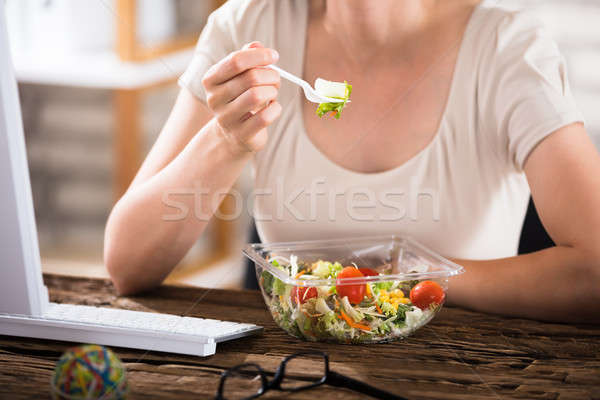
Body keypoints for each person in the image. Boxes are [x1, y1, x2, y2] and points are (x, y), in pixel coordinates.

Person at [104, 0, 600, 323]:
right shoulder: (246, 26)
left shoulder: (508, 47)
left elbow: (593, 272)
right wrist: (226, 141)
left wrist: (416, 275)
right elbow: (128, 266)